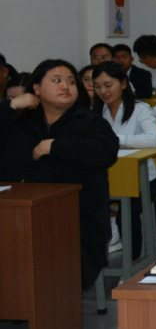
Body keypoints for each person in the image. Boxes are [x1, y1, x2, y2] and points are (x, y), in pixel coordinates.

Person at [1, 59, 120, 289]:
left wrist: (56, 146)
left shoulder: (89, 121)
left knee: (57, 277)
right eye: (57, 81)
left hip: (75, 220)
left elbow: (107, 151)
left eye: (70, 82)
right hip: (18, 217)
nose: (66, 86)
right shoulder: (19, 120)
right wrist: (12, 105)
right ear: (36, 88)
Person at [92, 61, 156, 254]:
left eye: (108, 85)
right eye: (97, 87)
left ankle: (133, 263)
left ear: (123, 83)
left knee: (127, 216)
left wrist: (113, 140)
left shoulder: (140, 109)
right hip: (108, 179)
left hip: (142, 180)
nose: (103, 91)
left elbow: (153, 140)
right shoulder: (96, 112)